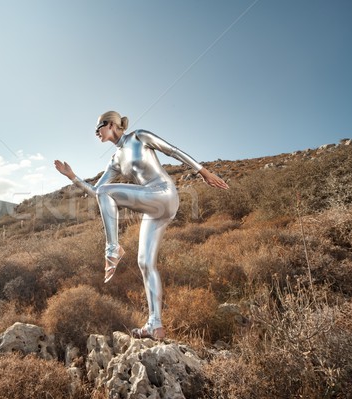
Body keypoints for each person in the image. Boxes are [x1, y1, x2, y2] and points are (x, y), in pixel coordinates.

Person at [54, 110, 228, 340]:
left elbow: (173, 150)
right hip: (153, 208)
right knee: (144, 262)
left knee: (110, 194)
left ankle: (112, 249)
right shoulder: (115, 159)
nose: (96, 133)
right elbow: (98, 193)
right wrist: (73, 177)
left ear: (112, 124)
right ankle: (154, 324)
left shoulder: (139, 136)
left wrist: (203, 172)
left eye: (99, 128)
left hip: (163, 193)